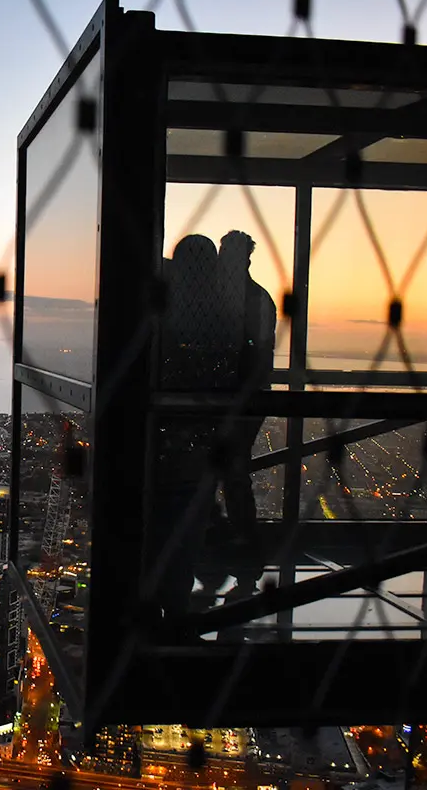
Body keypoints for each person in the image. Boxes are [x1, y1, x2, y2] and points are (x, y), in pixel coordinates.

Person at [150, 234, 243, 622]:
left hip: (163, 437)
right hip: (203, 439)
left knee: (160, 520)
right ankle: (175, 600)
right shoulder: (225, 314)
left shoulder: (164, 311)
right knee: (188, 524)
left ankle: (156, 600)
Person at [217, 230, 277, 597]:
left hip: (235, 399)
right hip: (246, 399)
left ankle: (240, 548)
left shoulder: (235, 300)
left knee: (230, 473)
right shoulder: (258, 299)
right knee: (235, 474)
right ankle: (244, 553)